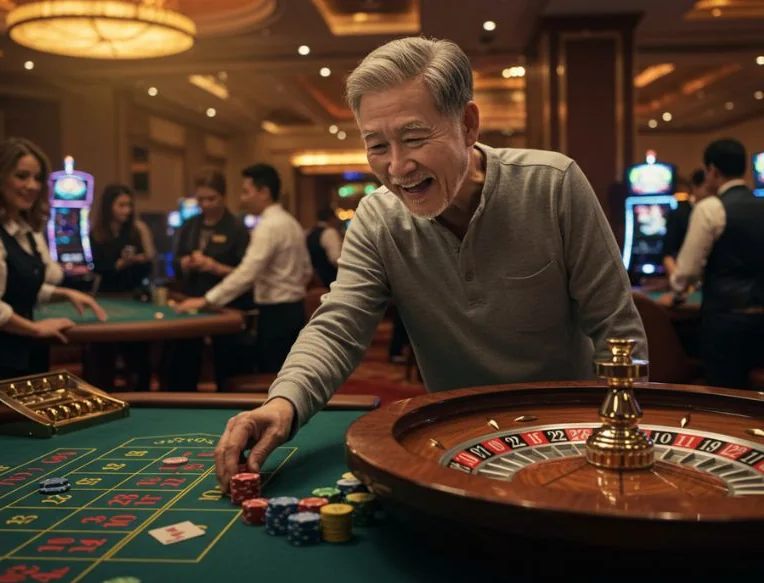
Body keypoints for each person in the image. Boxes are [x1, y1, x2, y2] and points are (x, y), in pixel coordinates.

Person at [209, 37, 647, 489]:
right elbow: (337, 326)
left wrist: (611, 439)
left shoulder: (554, 185)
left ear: (468, 124)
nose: (397, 167)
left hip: (571, 435)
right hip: (453, 438)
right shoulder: (377, 218)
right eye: (377, 146)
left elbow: (618, 331)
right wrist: (283, 404)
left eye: (415, 138)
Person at [0, 138, 106, 408]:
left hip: (20, 359)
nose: (32, 185)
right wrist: (36, 329)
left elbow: (14, 286)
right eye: (21, 176)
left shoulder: (20, 228)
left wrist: (63, 293)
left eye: (37, 178)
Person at [176, 164, 313, 375]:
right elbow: (306, 271)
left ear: (264, 193)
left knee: (276, 381)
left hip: (276, 315)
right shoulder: (290, 222)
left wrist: (206, 301)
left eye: (246, 192)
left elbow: (246, 274)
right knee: (291, 378)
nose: (243, 198)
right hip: (294, 310)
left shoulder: (268, 227)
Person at [669, 138, 764, 389]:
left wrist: (677, 289)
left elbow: (686, 272)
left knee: (725, 400)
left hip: (726, 323)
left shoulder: (710, 207)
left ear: (712, 170)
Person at [167, 168, 255, 391]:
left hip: (225, 306)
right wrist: (185, 262)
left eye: (211, 199)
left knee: (228, 367)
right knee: (184, 365)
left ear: (223, 197)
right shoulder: (190, 226)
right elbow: (174, 261)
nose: (205, 204)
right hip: (191, 302)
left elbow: (245, 274)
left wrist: (213, 266)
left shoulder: (236, 228)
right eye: (200, 199)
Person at [88, 183, 156, 390]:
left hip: (133, 297)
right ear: (109, 206)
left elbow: (149, 266)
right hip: (106, 299)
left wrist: (139, 261)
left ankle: (143, 402)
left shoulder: (137, 230)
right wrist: (117, 265)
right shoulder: (96, 233)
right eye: (121, 205)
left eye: (129, 205)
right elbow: (96, 267)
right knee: (103, 361)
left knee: (138, 359)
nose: (127, 210)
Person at [662, 169, 711, 277]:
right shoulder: (679, 213)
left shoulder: (718, 211)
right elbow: (667, 255)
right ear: (695, 187)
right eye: (707, 189)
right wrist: (678, 282)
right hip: (685, 278)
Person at [306, 206, 343, 288]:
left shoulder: (310, 232)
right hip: (329, 281)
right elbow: (335, 259)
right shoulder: (330, 232)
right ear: (331, 218)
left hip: (315, 281)